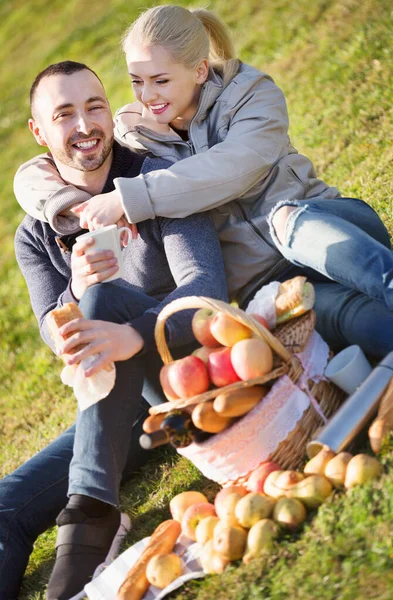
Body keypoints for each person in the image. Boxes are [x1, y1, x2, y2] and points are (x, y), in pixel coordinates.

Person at [13, 6, 393, 358]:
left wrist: (128, 199)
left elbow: (228, 170)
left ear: (199, 70)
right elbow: (41, 168)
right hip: (268, 287)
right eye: (136, 81)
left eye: (160, 80)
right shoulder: (136, 131)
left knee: (286, 220)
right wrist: (66, 205)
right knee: (354, 317)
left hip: (335, 232)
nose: (147, 96)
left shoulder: (252, 96)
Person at [2, 60, 228, 599]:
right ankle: (89, 518)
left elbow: (208, 289)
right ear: (39, 132)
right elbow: (51, 333)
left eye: (94, 106)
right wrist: (75, 292)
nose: (85, 125)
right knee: (6, 508)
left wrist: (129, 328)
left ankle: (92, 515)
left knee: (107, 297)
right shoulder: (35, 234)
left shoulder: (155, 179)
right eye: (64, 114)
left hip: (190, 374)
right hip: (118, 406)